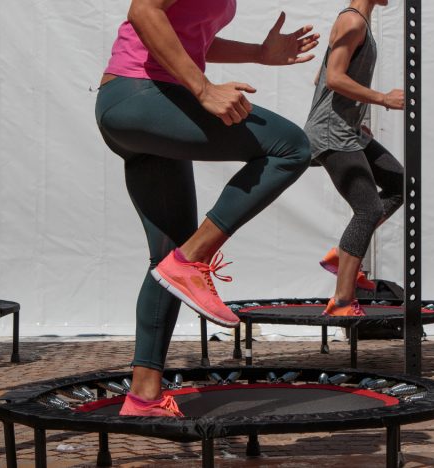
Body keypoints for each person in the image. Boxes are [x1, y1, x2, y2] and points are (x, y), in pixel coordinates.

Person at [96, 0, 319, 416]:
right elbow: (144, 11)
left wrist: (257, 54)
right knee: (290, 147)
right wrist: (202, 88)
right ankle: (193, 259)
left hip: (138, 106)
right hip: (140, 94)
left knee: (165, 261)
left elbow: (192, 36)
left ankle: (144, 394)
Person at [304, 0, 404, 317]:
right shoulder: (352, 22)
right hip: (331, 133)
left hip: (345, 128)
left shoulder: (359, 22)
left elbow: (319, 76)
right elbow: (334, 77)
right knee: (368, 208)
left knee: (398, 184)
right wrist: (383, 98)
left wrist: (354, 116)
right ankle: (342, 302)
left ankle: (340, 258)